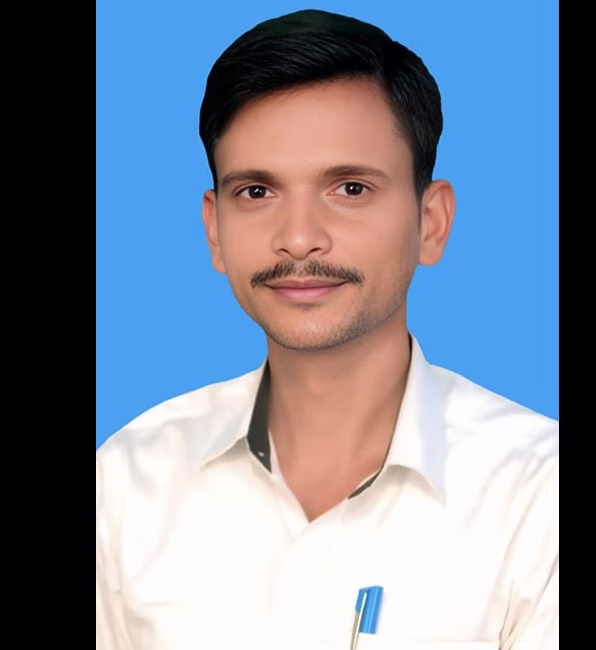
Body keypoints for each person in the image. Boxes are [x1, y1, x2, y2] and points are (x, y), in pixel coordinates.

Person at [96, 9, 557, 649]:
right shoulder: (128, 479)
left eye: (350, 188)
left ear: (431, 222)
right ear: (214, 229)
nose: (298, 238)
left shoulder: (538, 492)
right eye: (257, 192)